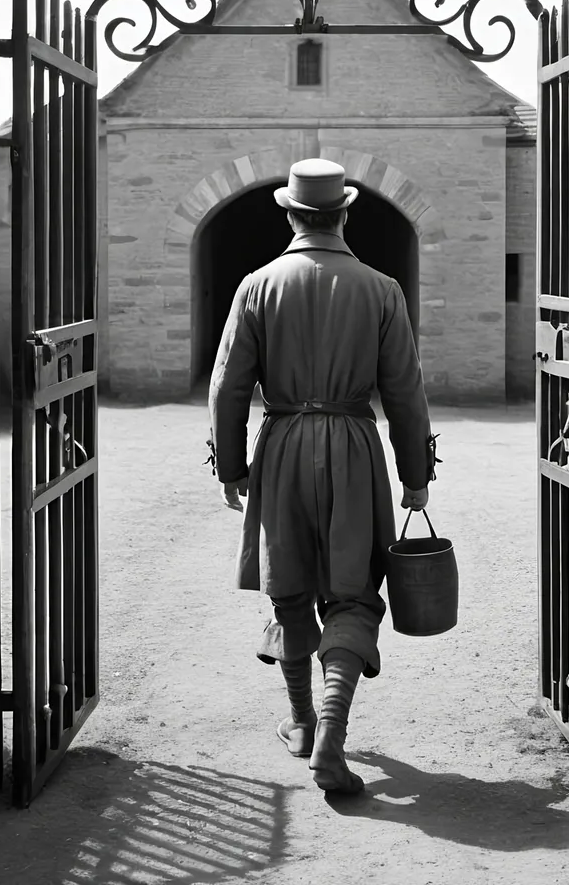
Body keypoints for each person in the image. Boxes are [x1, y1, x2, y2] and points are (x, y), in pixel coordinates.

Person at [206, 158, 438, 795]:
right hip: (354, 446)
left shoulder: (256, 285)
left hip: (281, 445)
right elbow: (406, 393)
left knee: (290, 586)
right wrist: (415, 474)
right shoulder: (382, 288)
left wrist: (231, 467)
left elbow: (228, 387)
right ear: (342, 213)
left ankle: (304, 723)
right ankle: (332, 736)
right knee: (354, 592)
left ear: (289, 214)